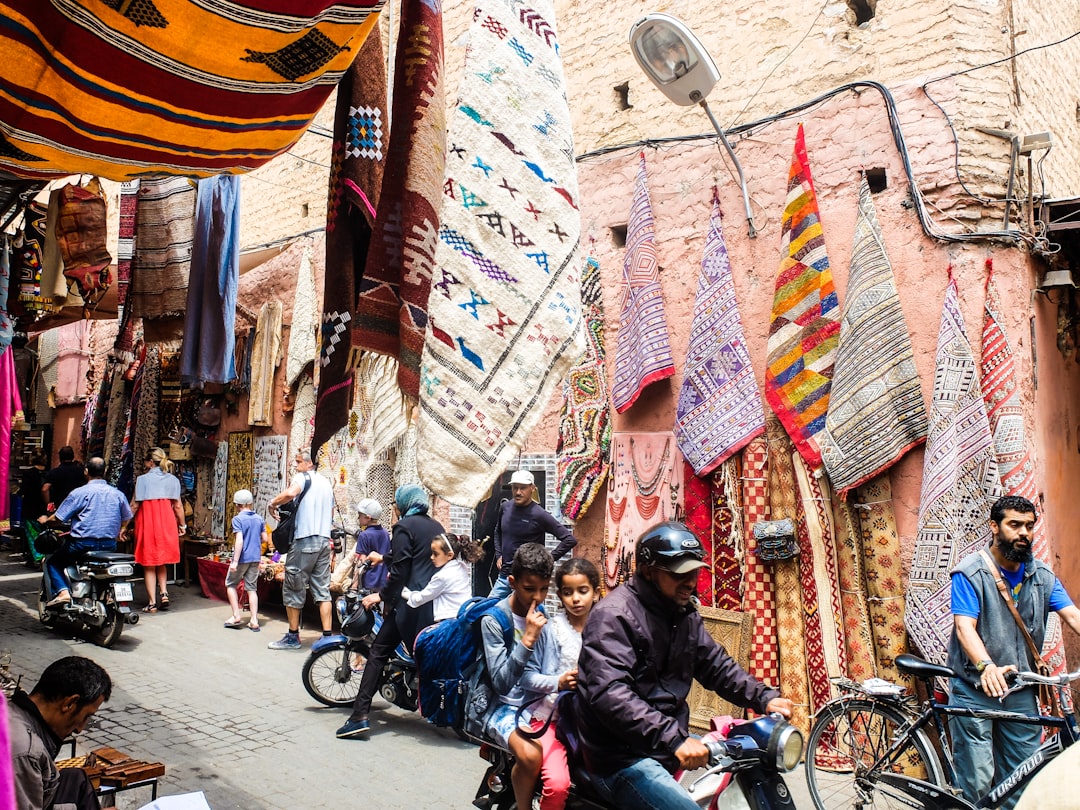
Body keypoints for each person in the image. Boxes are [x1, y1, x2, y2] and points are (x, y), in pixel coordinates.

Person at [573, 521, 793, 810]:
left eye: (694, 572)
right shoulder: (614, 617)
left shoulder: (682, 611)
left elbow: (714, 664)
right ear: (649, 571)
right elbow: (611, 694)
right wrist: (675, 738)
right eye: (679, 573)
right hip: (622, 756)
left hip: (662, 740)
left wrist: (764, 697)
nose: (690, 581)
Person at [947, 494, 1080, 810]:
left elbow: (1073, 615)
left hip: (1020, 688)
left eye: (1029, 526)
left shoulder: (1042, 576)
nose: (1023, 533)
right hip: (974, 688)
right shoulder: (970, 573)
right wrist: (986, 666)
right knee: (977, 781)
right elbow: (965, 627)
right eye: (1015, 525)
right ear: (995, 526)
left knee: (1023, 777)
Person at [336, 484, 444, 738]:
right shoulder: (435, 526)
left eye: (396, 503)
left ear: (404, 503)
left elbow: (401, 570)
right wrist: (381, 558)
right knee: (420, 655)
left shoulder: (403, 527)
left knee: (378, 653)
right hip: (431, 601)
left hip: (408, 604)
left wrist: (381, 595)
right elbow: (412, 558)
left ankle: (359, 716)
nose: (395, 507)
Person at [517, 557, 601, 810]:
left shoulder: (608, 628)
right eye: (568, 592)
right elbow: (527, 678)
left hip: (591, 722)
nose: (576, 599)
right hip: (549, 720)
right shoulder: (552, 630)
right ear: (561, 596)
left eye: (582, 591)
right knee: (558, 785)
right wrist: (559, 682)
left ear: (596, 593)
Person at [478, 543, 554, 810]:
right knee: (531, 756)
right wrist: (528, 639)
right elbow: (500, 682)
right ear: (512, 582)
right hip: (501, 707)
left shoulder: (541, 613)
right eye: (529, 589)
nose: (538, 597)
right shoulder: (494, 620)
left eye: (544, 589)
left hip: (536, 701)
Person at [8, 656, 111, 810]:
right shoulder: (25, 751)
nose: (79, 729)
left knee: (77, 779)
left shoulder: (13, 711)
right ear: (69, 703)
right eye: (85, 716)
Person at [266, 449, 336, 650]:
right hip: (323, 541)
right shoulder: (326, 484)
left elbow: (290, 493)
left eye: (298, 462)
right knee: (323, 590)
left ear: (309, 464)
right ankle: (327, 636)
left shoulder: (304, 477)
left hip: (305, 539)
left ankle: (292, 636)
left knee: (293, 587)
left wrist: (272, 503)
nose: (296, 466)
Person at [39, 457, 132, 607]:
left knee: (52, 561)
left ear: (86, 471)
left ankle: (63, 592)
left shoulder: (80, 493)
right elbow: (127, 516)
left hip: (82, 544)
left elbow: (59, 518)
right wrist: (123, 528)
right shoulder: (117, 494)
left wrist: (46, 521)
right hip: (109, 545)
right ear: (105, 471)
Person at [490, 470, 577, 599]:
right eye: (515, 487)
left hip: (529, 580)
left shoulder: (539, 514)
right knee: (486, 612)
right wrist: (499, 555)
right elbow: (498, 531)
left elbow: (569, 539)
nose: (518, 492)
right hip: (505, 577)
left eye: (523, 488)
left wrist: (546, 561)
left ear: (532, 488)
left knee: (527, 616)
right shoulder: (505, 507)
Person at [130, 447, 185, 613]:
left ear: (150, 462)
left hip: (148, 524)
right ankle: (164, 592)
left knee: (149, 564)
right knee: (161, 561)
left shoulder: (142, 480)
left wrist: (124, 525)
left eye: (145, 462)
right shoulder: (173, 480)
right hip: (166, 523)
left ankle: (152, 603)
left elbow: (134, 506)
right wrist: (182, 525)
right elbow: (178, 505)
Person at [402, 533, 485, 621]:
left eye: (436, 554)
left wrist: (401, 591)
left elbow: (420, 598)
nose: (432, 557)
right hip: (465, 616)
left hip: (451, 622)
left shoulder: (442, 577)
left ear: (450, 555)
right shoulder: (461, 566)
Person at [224, 489, 267, 631]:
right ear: (250, 503)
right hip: (255, 558)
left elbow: (239, 541)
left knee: (230, 584)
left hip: (242, 558)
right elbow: (265, 539)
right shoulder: (259, 518)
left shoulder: (237, 519)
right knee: (252, 588)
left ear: (237, 505)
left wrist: (235, 561)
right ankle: (254, 620)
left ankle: (236, 615)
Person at [353, 498, 391, 592]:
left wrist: (354, 585)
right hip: (383, 581)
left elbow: (361, 561)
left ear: (368, 517)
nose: (358, 518)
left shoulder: (364, 535)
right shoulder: (385, 533)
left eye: (360, 515)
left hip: (368, 582)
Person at [41, 447, 85, 513]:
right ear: (72, 456)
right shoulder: (81, 471)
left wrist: (49, 507)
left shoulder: (54, 472)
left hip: (59, 508)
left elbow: (45, 489)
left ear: (60, 458)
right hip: (76, 508)